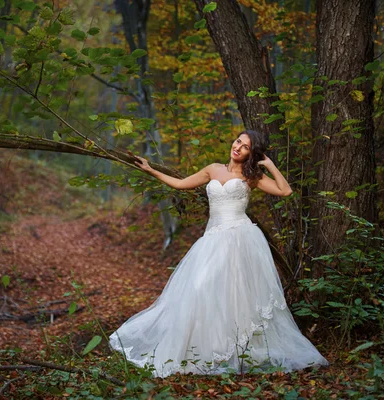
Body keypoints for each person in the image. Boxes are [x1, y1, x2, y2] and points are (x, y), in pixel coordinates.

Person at [109, 130, 329, 378]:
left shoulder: (251, 176)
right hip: (213, 239)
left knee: (237, 294)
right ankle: (209, 347)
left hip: (241, 237)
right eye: (237, 141)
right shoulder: (213, 169)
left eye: (245, 147)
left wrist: (270, 165)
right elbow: (181, 184)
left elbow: (285, 191)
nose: (238, 147)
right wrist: (151, 170)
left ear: (251, 154)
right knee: (201, 288)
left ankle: (238, 349)